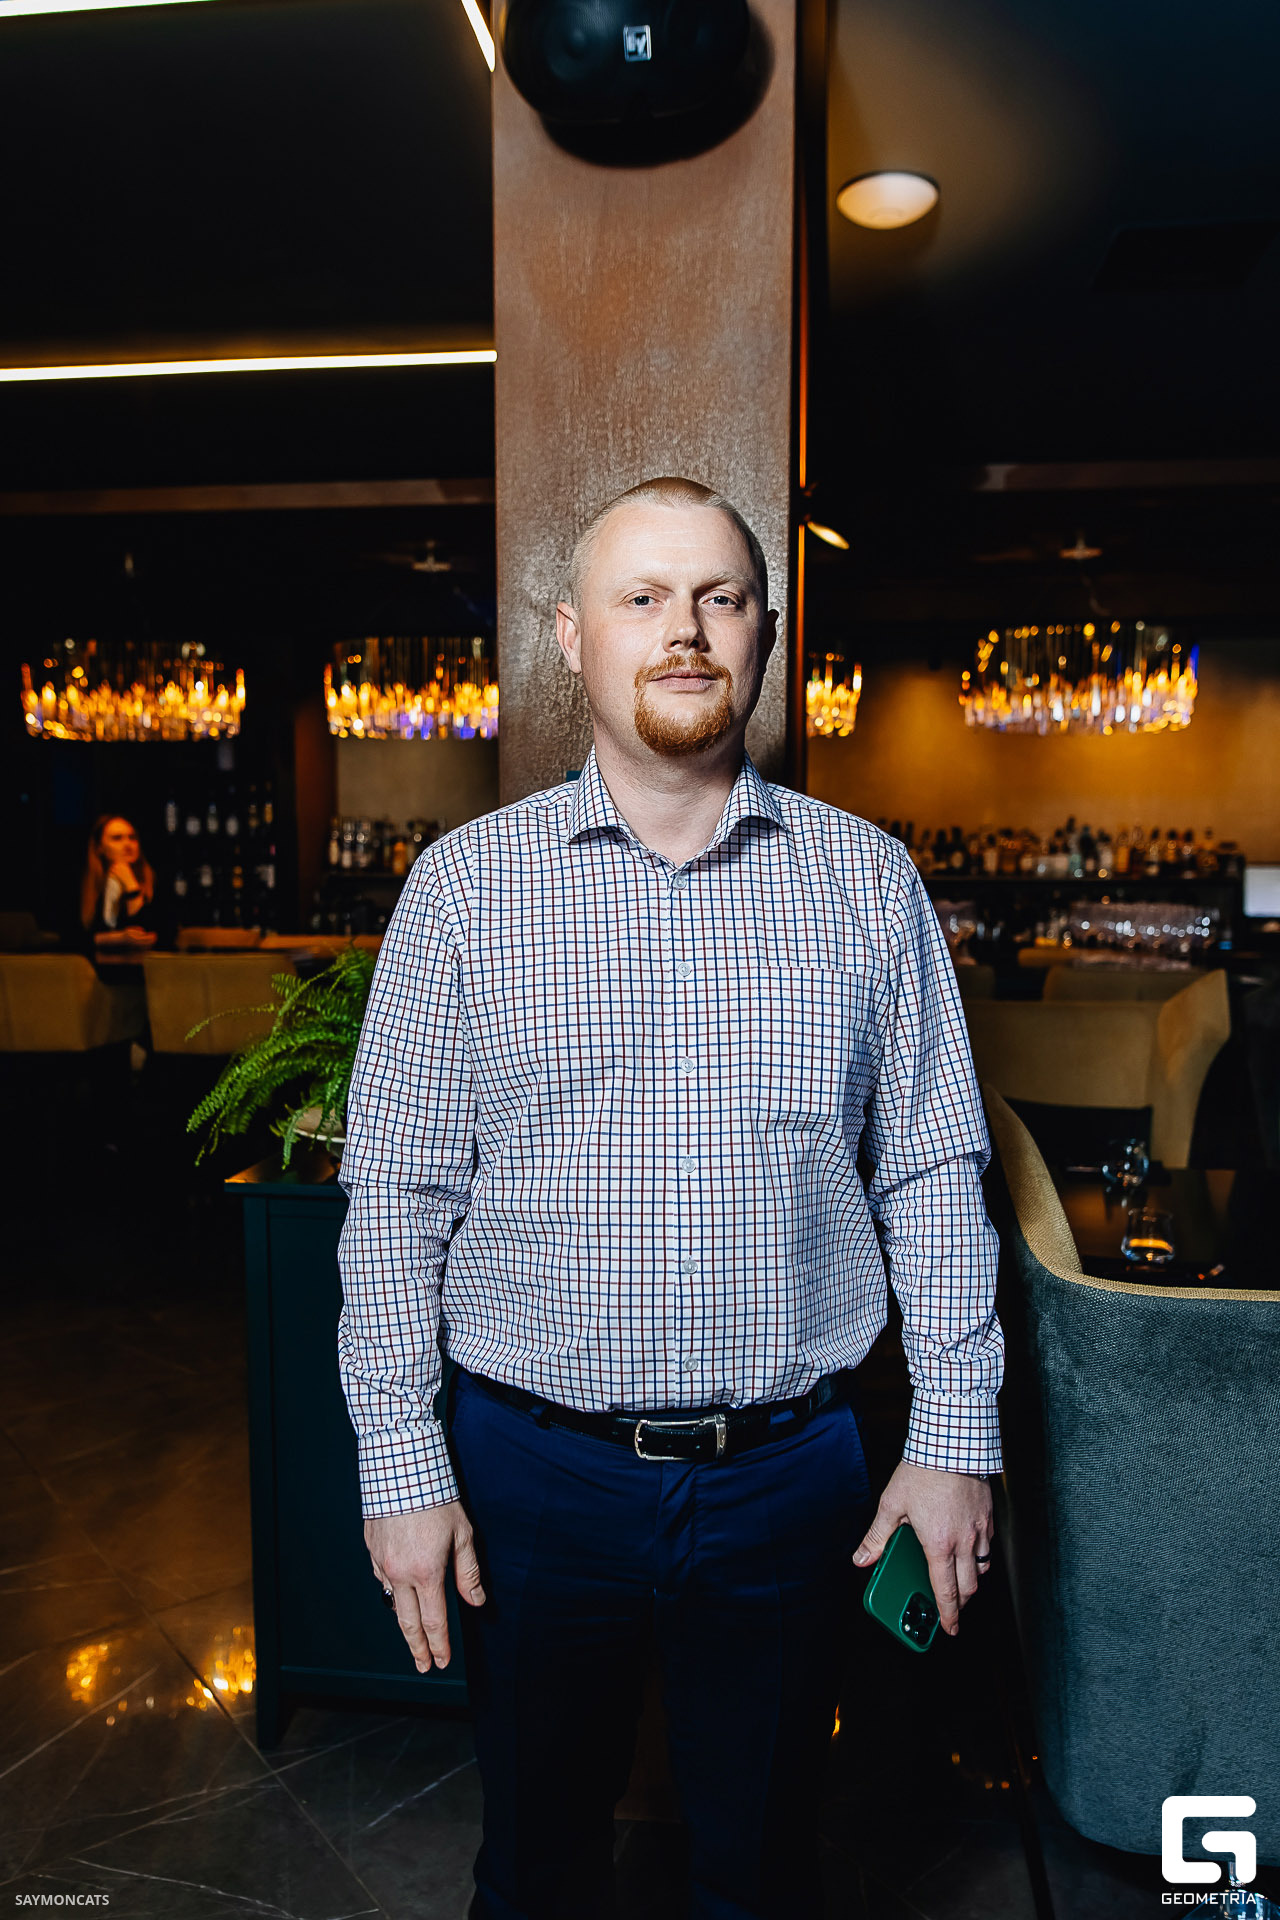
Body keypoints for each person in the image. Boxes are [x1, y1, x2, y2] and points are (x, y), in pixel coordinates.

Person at [336, 477, 1004, 1920]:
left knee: (763, 1870)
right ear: (572, 638)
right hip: (528, 1474)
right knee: (534, 1873)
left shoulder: (867, 885)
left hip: (792, 1476)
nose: (683, 630)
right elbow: (392, 1200)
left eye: (719, 597)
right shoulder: (462, 893)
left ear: (766, 632)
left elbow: (934, 1174)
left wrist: (954, 1437)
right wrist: (400, 1463)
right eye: (641, 598)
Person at [79, 813, 157, 954]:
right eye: (117, 838)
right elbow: (72, 938)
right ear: (99, 847)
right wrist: (116, 938)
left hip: (143, 965)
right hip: (95, 964)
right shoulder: (85, 885)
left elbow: (150, 932)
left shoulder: (154, 881)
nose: (128, 844)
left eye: (132, 838)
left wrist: (131, 885)